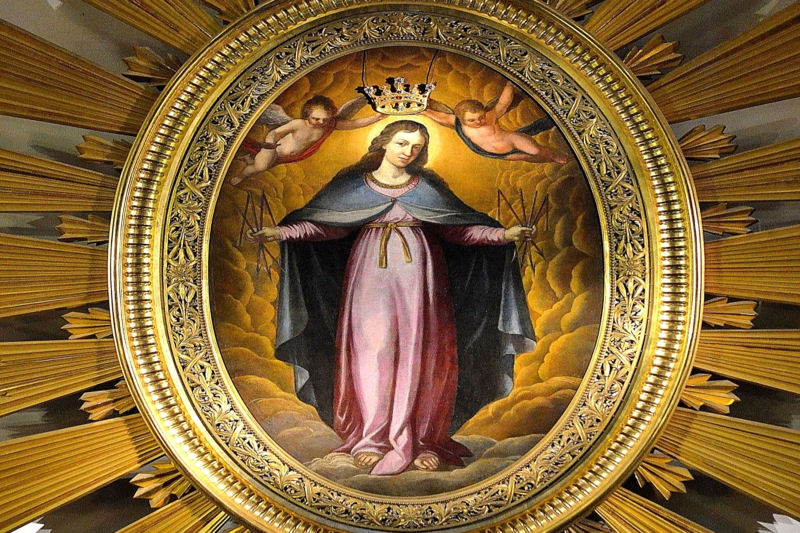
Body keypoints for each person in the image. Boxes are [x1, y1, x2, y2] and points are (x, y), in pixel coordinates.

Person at [248, 120, 535, 475]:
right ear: (384, 142)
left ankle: (423, 440)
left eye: (416, 147)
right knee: (372, 353)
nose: (408, 152)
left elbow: (460, 230)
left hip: (422, 280)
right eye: (402, 143)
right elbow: (325, 225)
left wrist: (503, 235)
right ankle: (372, 439)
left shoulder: (426, 189)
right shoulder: (354, 187)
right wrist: (280, 232)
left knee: (421, 354)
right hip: (369, 277)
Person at [233, 95, 385, 184]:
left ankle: (249, 158)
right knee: (260, 167)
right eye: (316, 119)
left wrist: (376, 118)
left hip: (288, 157)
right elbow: (275, 132)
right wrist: (269, 145)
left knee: (263, 165)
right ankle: (241, 176)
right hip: (274, 150)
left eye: (325, 119)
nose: (321, 122)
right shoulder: (298, 124)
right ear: (307, 115)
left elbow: (354, 124)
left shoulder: (329, 125)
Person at [423, 81, 568, 163]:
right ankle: (551, 158)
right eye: (471, 120)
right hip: (496, 153)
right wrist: (424, 111)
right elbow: (440, 116)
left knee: (536, 151)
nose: (478, 122)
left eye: (481, 117)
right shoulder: (456, 121)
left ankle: (554, 155)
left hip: (511, 141)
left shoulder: (490, 116)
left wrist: (509, 86)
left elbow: (503, 103)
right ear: (461, 118)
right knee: (528, 158)